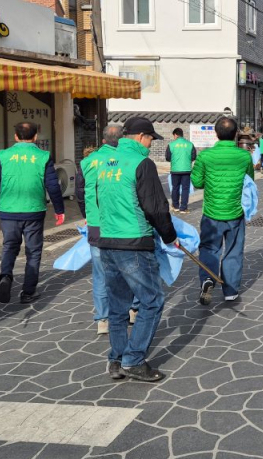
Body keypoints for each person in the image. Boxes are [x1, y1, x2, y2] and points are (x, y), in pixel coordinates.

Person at [96, 116, 178, 383]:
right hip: (133, 242)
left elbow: (98, 200)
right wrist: (169, 236)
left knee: (118, 306)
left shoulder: (105, 163)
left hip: (107, 240)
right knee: (152, 301)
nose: (150, 144)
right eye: (150, 139)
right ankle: (133, 360)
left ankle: (116, 359)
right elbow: (155, 207)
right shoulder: (142, 163)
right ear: (142, 137)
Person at [0, 121, 64, 304]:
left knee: (9, 246)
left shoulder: (4, 155)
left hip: (8, 211)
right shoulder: (43, 156)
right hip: (34, 211)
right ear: (35, 137)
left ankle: (5, 277)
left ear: (16, 137)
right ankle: (27, 292)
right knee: (33, 251)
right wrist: (59, 210)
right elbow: (53, 185)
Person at [191, 115, 254, 306]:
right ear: (235, 134)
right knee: (233, 251)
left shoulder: (205, 156)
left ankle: (208, 279)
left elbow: (197, 182)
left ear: (216, 134)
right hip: (235, 213)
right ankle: (230, 291)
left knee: (210, 248)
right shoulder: (244, 156)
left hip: (211, 213)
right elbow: (249, 181)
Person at [75, 124, 123, 336]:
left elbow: (79, 192)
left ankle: (102, 319)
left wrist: (86, 215)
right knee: (127, 268)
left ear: (103, 140)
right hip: (121, 223)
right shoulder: (125, 160)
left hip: (95, 223)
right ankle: (130, 310)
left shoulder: (87, 162)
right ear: (121, 140)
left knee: (100, 271)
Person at [165, 128, 197, 213]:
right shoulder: (190, 144)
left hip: (175, 170)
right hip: (186, 170)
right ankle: (183, 208)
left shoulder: (171, 145)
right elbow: (194, 157)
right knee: (185, 189)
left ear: (175, 134)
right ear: (182, 134)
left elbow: (168, 158)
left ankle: (175, 206)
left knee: (175, 188)